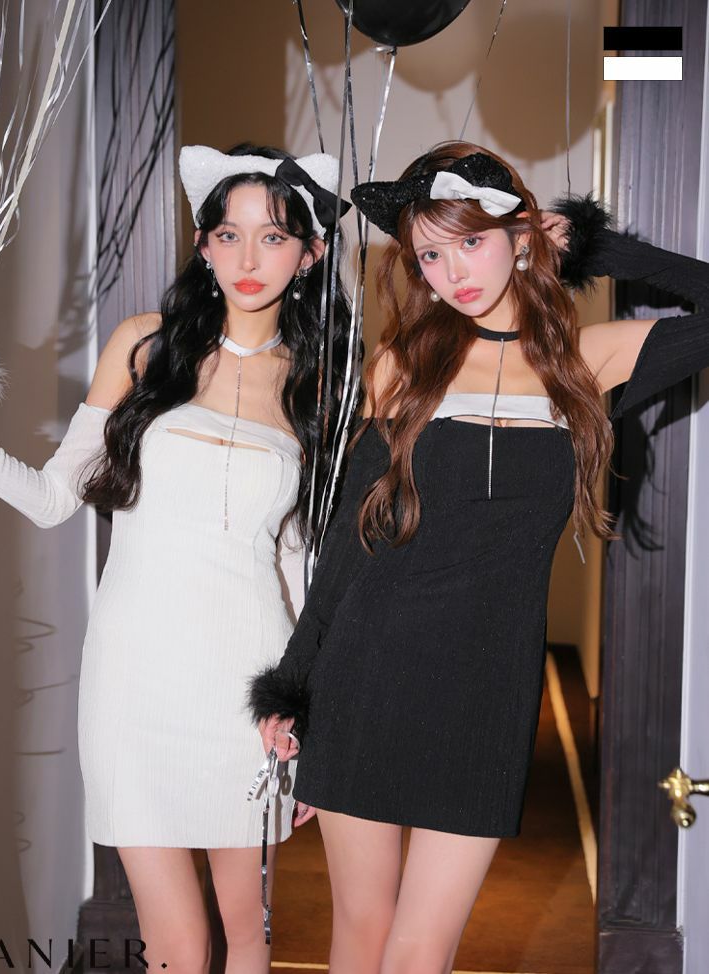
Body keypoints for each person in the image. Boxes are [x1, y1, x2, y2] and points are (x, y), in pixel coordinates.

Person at [249, 140, 709, 974]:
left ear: (520, 238)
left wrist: (596, 244)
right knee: (362, 934)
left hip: (489, 690)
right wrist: (294, 685)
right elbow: (352, 539)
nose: (452, 271)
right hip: (368, 672)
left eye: (470, 241)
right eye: (430, 254)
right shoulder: (405, 365)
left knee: (424, 950)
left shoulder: (590, 362)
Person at [0, 142, 352, 974]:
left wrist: (306, 707)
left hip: (247, 684)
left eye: (273, 237)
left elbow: (300, 567)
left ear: (310, 253)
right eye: (228, 235)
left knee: (247, 933)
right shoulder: (144, 347)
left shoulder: (319, 384)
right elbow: (51, 498)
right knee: (177, 947)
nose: (248, 259)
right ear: (202, 244)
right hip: (133, 681)